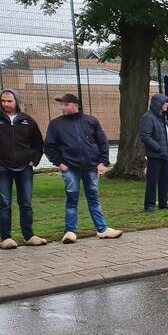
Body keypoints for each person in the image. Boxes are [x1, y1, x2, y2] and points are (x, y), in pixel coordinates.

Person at [43, 93, 122, 244]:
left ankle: (102, 229)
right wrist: (59, 163)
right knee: (72, 199)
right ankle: (70, 231)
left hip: (91, 167)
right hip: (70, 168)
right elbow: (49, 146)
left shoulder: (91, 121)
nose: (62, 107)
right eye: (61, 104)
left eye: (65, 104)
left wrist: (102, 162)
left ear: (75, 105)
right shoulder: (55, 124)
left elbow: (102, 143)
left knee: (93, 197)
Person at [0, 88, 47, 249]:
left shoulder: (28, 121)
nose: (6, 104)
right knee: (4, 203)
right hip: (3, 168)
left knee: (26, 203)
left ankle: (29, 235)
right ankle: (5, 237)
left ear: (16, 101)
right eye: (3, 101)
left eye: (9, 101)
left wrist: (34, 161)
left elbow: (38, 144)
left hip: (25, 168)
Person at [139, 93, 168, 212]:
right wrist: (157, 147)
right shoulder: (148, 117)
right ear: (158, 104)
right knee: (152, 181)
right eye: (165, 102)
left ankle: (163, 203)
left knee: (165, 180)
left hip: (164, 155)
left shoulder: (162, 117)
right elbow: (145, 135)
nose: (167, 104)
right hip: (155, 155)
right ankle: (149, 204)